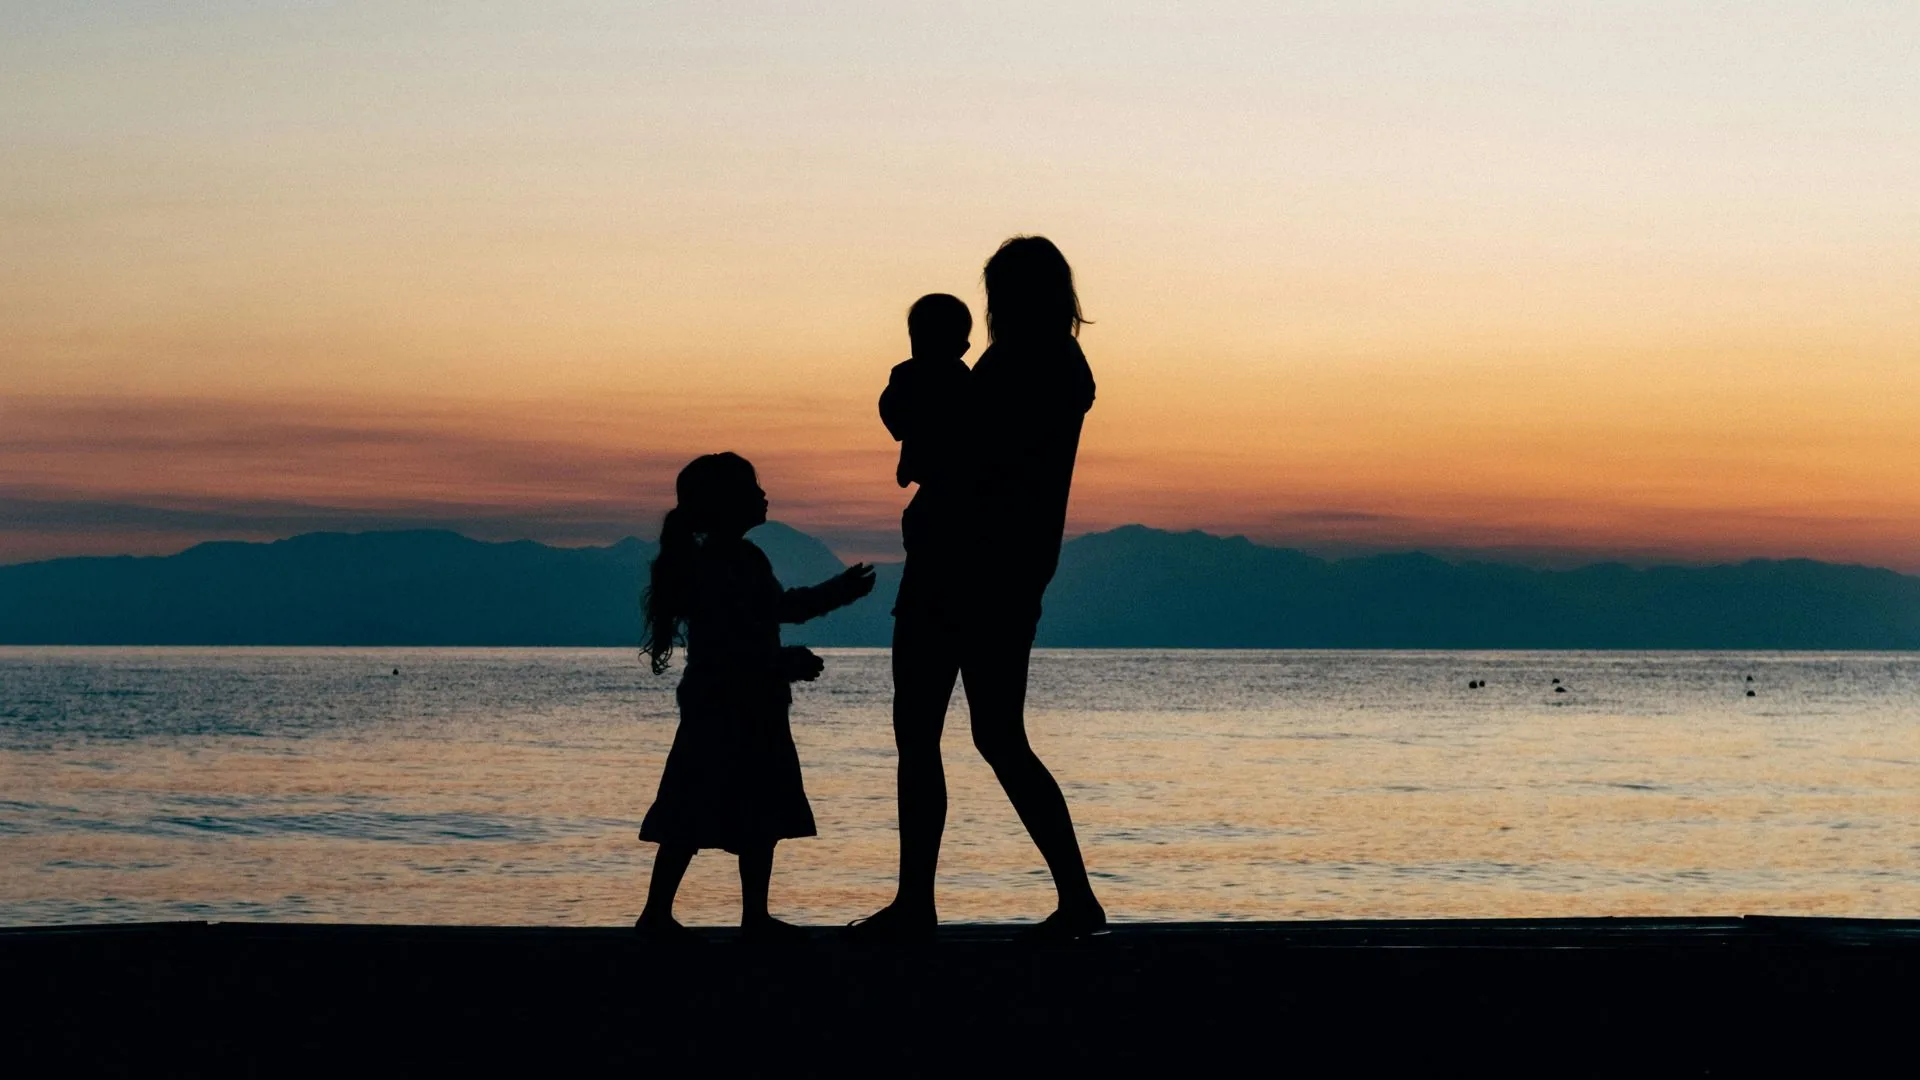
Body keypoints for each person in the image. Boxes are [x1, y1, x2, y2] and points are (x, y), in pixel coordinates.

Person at [853, 237, 1106, 941]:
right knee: (994, 736)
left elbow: (965, 454)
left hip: (963, 566)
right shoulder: (1050, 364)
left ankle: (920, 903)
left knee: (927, 733)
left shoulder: (1022, 365)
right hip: (1007, 569)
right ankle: (1070, 897)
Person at [634, 452, 876, 941]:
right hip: (725, 707)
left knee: (751, 812)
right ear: (725, 504)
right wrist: (783, 663)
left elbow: (775, 610)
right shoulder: (716, 567)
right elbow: (732, 646)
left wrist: (838, 591)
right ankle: (662, 915)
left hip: (747, 705)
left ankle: (749, 917)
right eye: (752, 488)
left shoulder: (743, 558)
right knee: (695, 808)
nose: (763, 495)